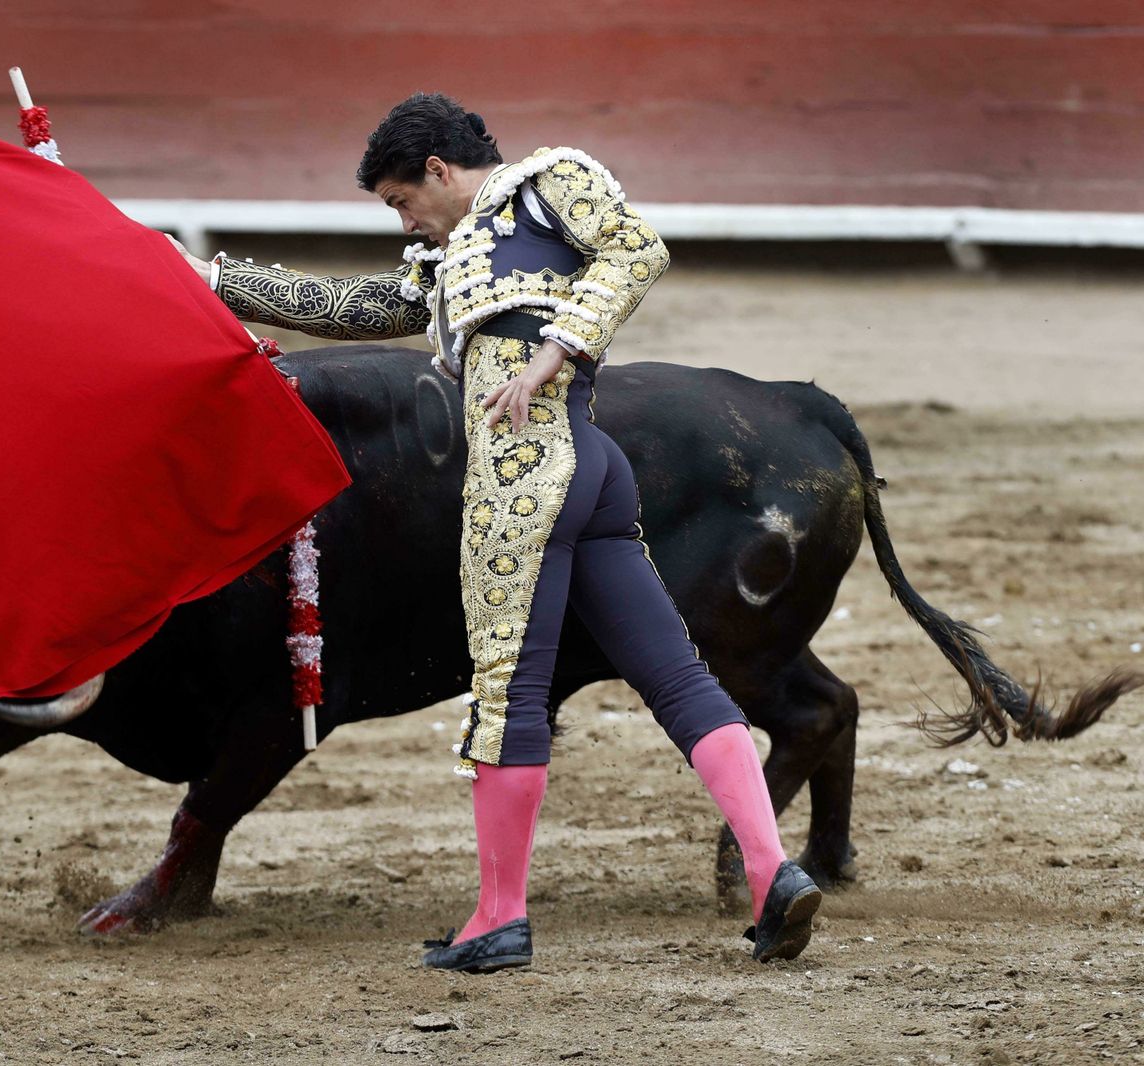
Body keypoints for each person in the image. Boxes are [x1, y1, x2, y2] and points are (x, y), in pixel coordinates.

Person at [173, 92, 822, 971]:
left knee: (509, 692)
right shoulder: (453, 258)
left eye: (404, 201)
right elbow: (354, 307)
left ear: (439, 169)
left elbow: (638, 248)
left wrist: (558, 349)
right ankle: (771, 872)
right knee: (676, 676)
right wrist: (205, 277)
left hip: (524, 475)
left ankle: (498, 919)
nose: (406, 221)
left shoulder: (552, 180)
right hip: (591, 472)